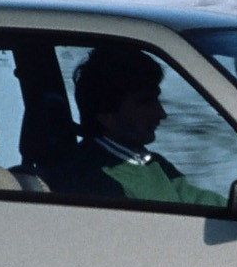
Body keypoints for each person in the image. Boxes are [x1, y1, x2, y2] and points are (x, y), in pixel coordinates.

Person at [41, 46, 226, 206]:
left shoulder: (152, 163)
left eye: (156, 99)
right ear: (106, 116)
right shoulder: (91, 181)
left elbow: (199, 201)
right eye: (145, 102)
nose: (161, 113)